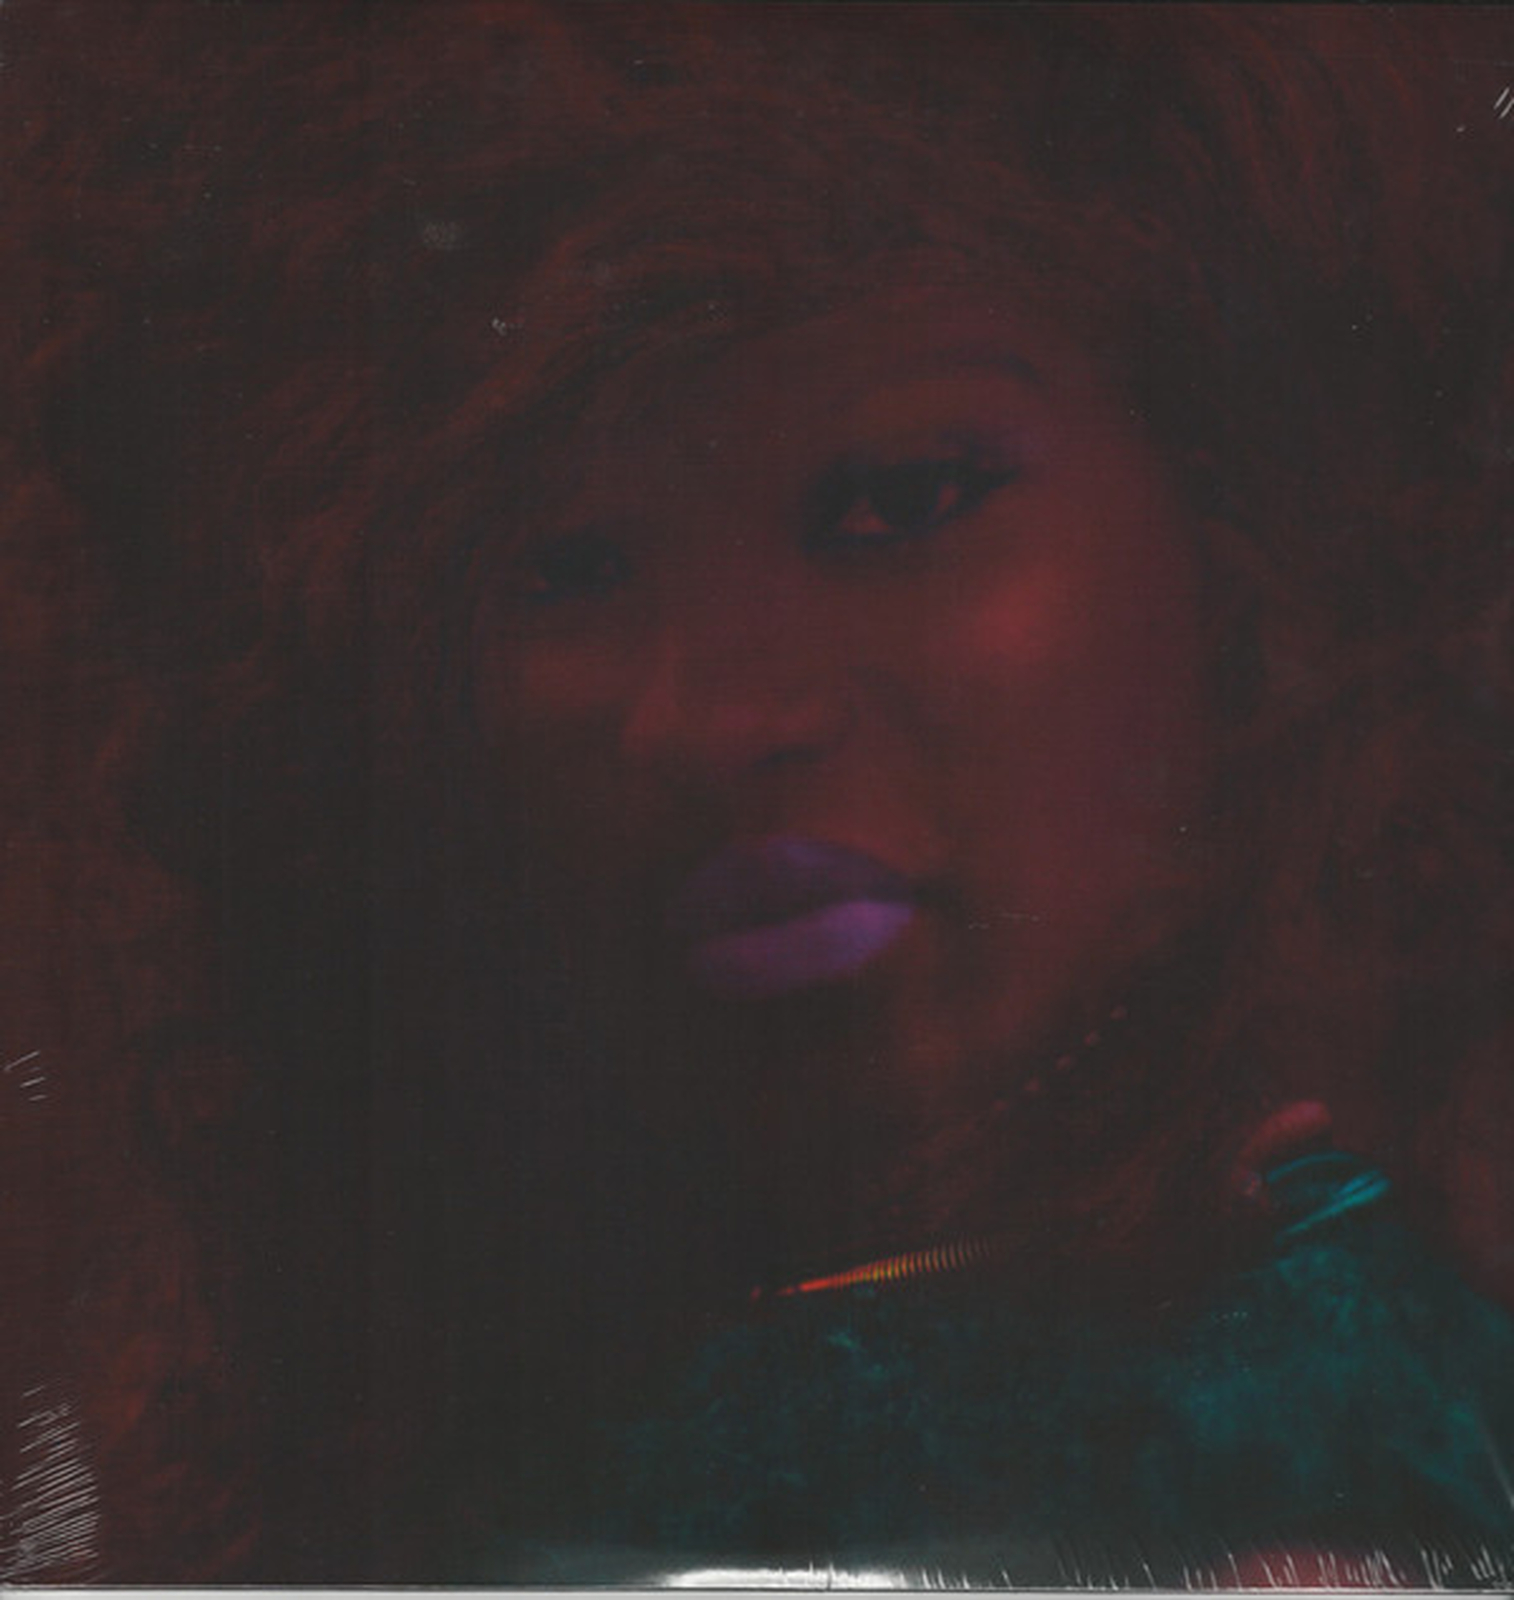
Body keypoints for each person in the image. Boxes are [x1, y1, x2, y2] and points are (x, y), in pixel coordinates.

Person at [4, 0, 1513, 1584]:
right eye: (565, 569)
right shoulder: (456, 1426)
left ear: (1242, 532)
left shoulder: (1367, 1419)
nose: (710, 717)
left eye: (899, 503)